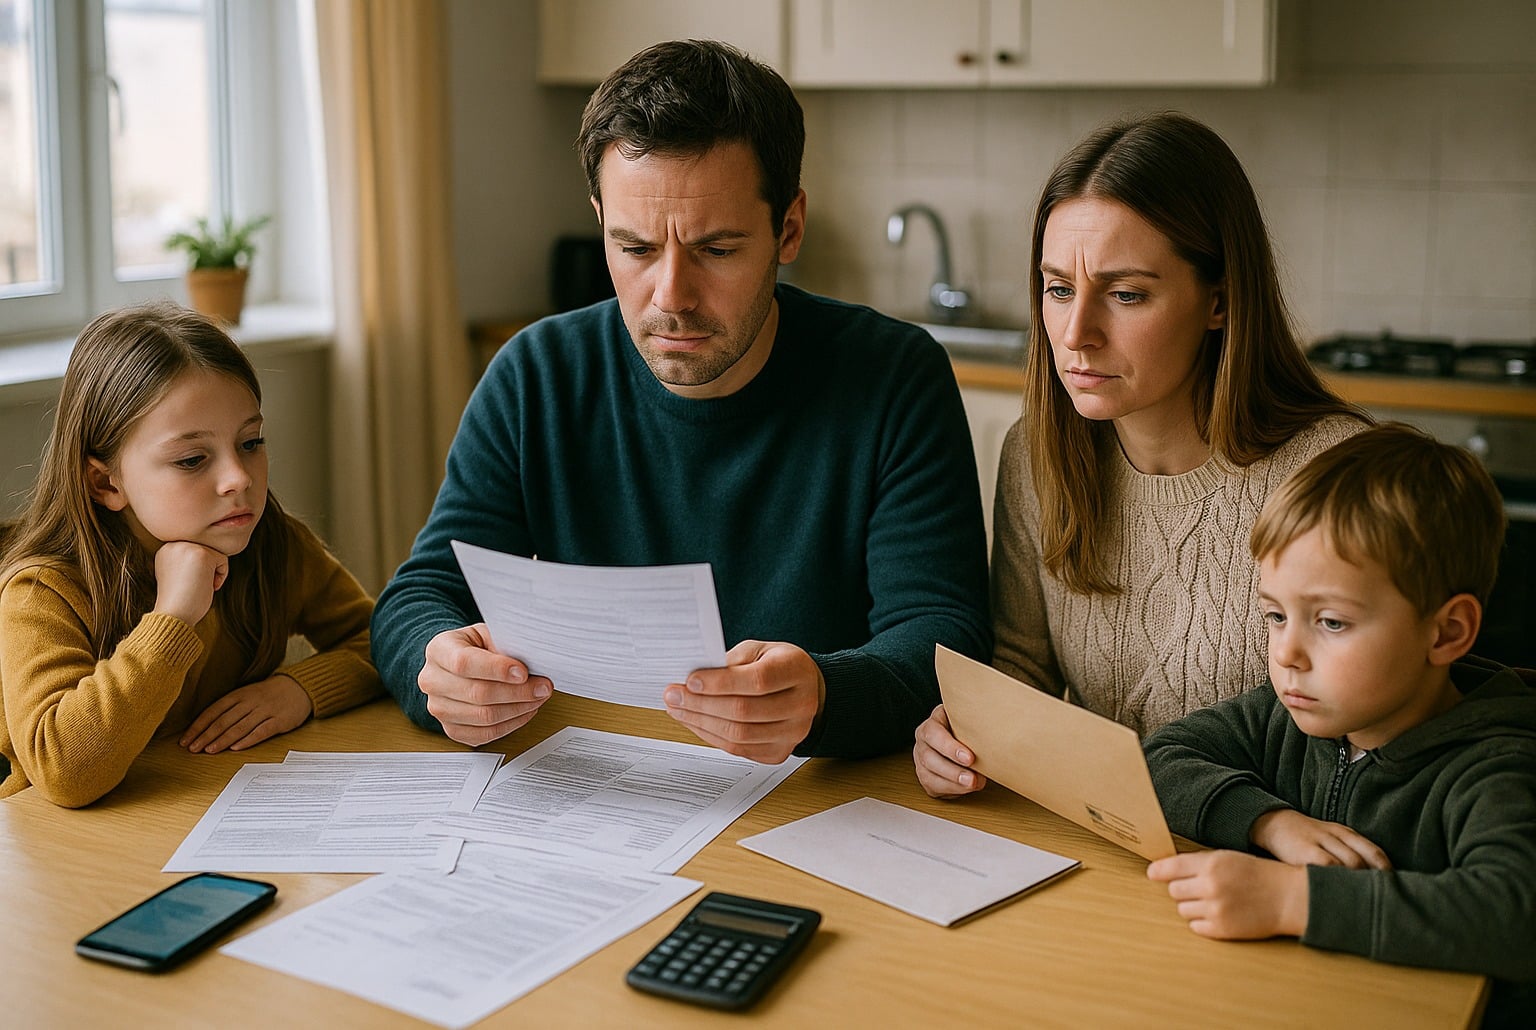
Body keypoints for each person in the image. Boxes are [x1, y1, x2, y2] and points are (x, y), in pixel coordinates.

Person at [370, 40, 991, 763]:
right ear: (600, 219)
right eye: (633, 249)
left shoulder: (893, 377)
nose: (671, 297)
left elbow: (943, 636)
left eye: (717, 250)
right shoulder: (535, 374)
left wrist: (826, 694)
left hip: (825, 804)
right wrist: (437, 667)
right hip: (601, 792)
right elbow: (420, 594)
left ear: (788, 228)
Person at [914, 111, 1369, 798]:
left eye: (1126, 294)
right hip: (1108, 843)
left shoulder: (1333, 473)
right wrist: (960, 734)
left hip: (1271, 860)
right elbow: (1022, 666)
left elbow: (1377, 739)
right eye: (1058, 288)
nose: (1077, 334)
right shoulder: (1036, 457)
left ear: (1218, 301)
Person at [1143, 425, 1536, 1028]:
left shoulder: (1496, 765)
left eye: (1330, 622)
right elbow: (1158, 758)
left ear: (1446, 632)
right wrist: (1272, 823)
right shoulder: (1289, 718)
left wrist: (1291, 900)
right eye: (1275, 615)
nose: (1287, 653)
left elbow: (1514, 913)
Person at [0, 302, 382, 807]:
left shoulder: (273, 545)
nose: (239, 478)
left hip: (208, 810)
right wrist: (172, 619)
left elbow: (383, 638)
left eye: (251, 442)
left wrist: (299, 690)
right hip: (68, 856)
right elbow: (66, 771)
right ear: (105, 482)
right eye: (192, 459)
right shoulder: (43, 592)